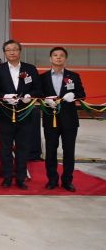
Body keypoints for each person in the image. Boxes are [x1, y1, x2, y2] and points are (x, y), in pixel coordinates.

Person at [0, 39, 42, 190]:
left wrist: (29, 96)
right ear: (4, 53)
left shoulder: (30, 69)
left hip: (25, 114)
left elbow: (38, 89)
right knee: (5, 148)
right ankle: (7, 177)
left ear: (20, 51)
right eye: (8, 50)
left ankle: (21, 178)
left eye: (15, 49)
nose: (12, 52)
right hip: (5, 113)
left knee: (23, 147)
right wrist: (4, 96)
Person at [40, 46, 85, 192]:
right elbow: (38, 94)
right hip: (50, 119)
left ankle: (67, 180)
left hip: (69, 120)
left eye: (61, 55)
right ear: (50, 58)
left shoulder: (73, 76)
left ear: (65, 59)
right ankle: (52, 180)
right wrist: (45, 100)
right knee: (50, 151)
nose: (58, 57)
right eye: (55, 55)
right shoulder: (43, 77)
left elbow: (82, 94)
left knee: (69, 151)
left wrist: (74, 95)